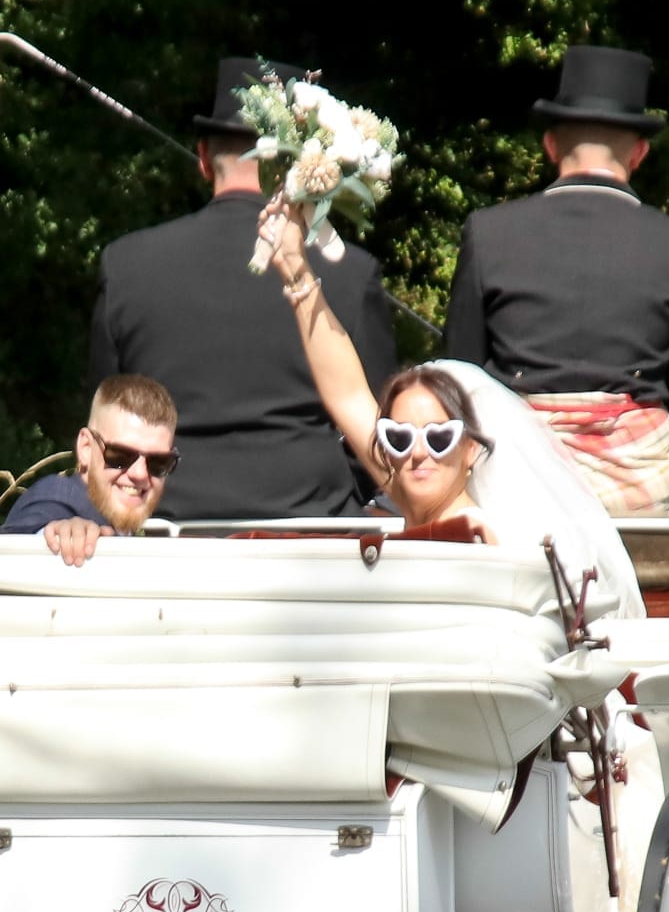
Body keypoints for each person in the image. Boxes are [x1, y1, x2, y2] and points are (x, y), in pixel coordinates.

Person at [256, 197, 641, 616]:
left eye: (440, 438)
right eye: (398, 437)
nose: (418, 451)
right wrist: (295, 268)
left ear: (471, 449)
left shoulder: (499, 538)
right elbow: (346, 392)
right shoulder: (405, 477)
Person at [87, 56, 398, 520]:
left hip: (165, 532)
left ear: (202, 158)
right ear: (296, 164)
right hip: (312, 532)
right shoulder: (350, 272)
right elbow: (381, 439)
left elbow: (101, 421)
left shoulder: (126, 265)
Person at [444, 44, 669, 515]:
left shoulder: (489, 232)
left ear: (551, 146)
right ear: (639, 153)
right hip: (641, 489)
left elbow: (456, 377)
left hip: (515, 482)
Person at [0, 373, 178, 566]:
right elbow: (9, 548)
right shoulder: (56, 496)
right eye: (120, 456)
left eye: (158, 462)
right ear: (86, 448)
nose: (140, 474)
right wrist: (64, 533)